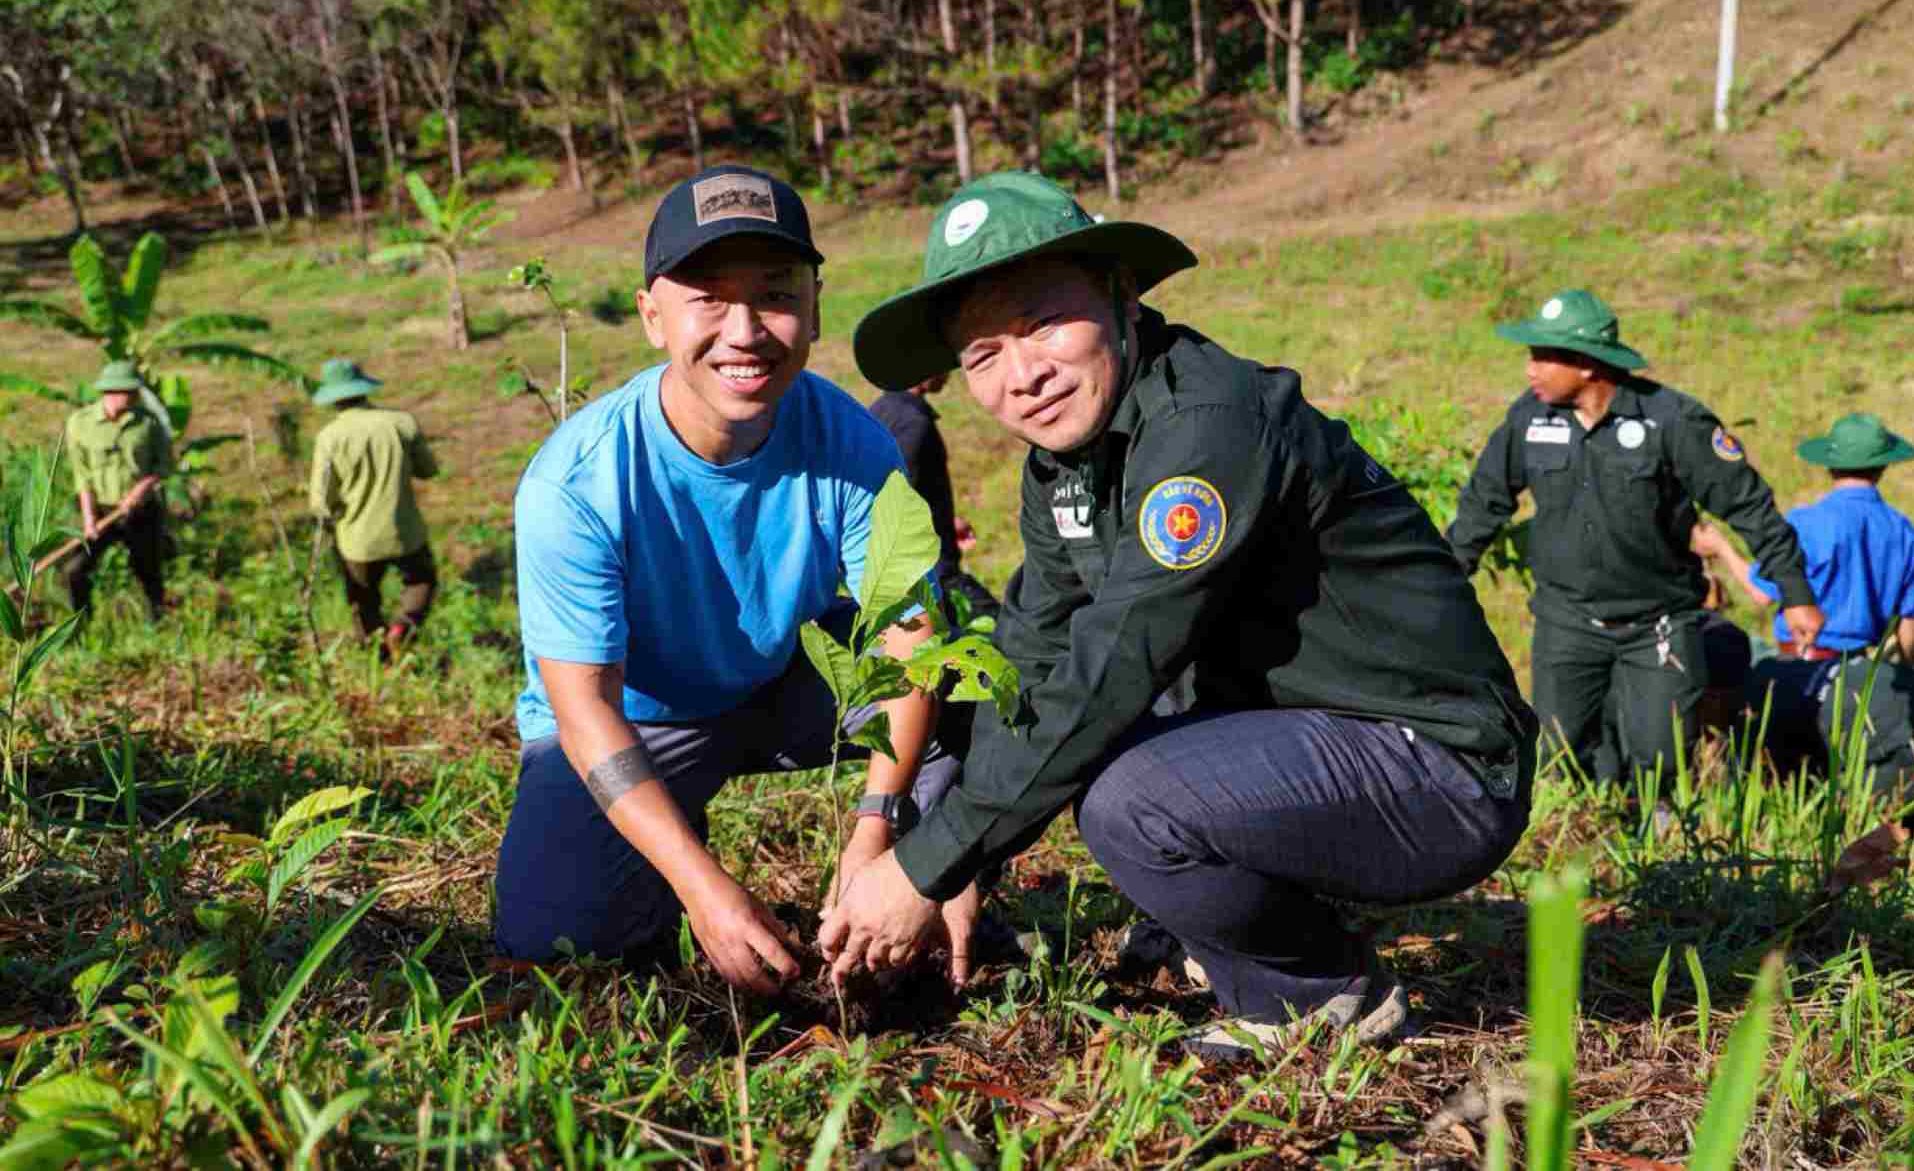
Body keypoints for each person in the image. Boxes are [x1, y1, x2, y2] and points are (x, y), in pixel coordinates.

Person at [822, 171, 1537, 1062]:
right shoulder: (1065, 468)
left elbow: (1113, 666)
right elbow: (1033, 663)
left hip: (1437, 767)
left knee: (1129, 793)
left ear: (1122, 297)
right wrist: (955, 856)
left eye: (1045, 323)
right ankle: (1239, 934)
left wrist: (926, 872)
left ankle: (1318, 995)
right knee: (1064, 730)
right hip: (1306, 742)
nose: (1024, 375)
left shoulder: (1208, 425)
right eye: (982, 356)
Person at [492, 165, 970, 993]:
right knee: (553, 938)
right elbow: (585, 707)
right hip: (636, 719)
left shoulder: (854, 444)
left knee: (971, 687)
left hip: (784, 688)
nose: (744, 330)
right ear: (653, 317)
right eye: (706, 298)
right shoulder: (578, 481)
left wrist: (877, 835)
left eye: (775, 295)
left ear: (815, 306)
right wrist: (700, 884)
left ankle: (941, 884)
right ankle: (667, 856)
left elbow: (912, 647)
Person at [1447, 289, 1826, 785]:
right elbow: (1483, 505)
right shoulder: (1529, 419)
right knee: (1560, 759)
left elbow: (1749, 506)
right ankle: (1579, 848)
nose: (1530, 369)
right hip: (1567, 622)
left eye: (1544, 357)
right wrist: (1444, 582)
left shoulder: (1672, 421)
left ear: (1585, 364)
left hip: (1659, 625)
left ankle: (1657, 848)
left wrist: (1795, 594)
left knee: (1661, 761)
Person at [1698, 414, 1914, 797]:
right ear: (1884, 466)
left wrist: (1721, 549)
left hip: (1800, 670)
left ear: (1829, 465)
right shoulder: (1902, 530)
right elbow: (1909, 636)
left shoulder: (1807, 522)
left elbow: (1761, 591)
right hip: (1861, 674)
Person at [308, 358, 440, 659]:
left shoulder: (329, 437)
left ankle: (377, 661)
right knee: (422, 581)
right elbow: (428, 470)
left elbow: (321, 503)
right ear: (363, 388)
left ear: (332, 398)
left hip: (357, 540)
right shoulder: (401, 423)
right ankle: (401, 629)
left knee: (363, 602)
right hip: (405, 531)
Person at [868, 373, 1000, 626]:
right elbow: (897, 501)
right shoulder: (915, 425)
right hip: (933, 575)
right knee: (1007, 637)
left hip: (913, 571)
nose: (949, 373)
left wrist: (947, 521)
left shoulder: (880, 410)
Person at [62, 360, 172, 621]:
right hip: (101, 511)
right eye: (130, 392)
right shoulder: (80, 424)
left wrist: (140, 491)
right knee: (75, 571)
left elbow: (164, 466)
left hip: (141, 510)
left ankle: (156, 624)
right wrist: (89, 519)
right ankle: (81, 626)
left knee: (147, 570)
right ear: (112, 392)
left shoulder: (149, 424)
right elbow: (82, 476)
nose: (135, 397)